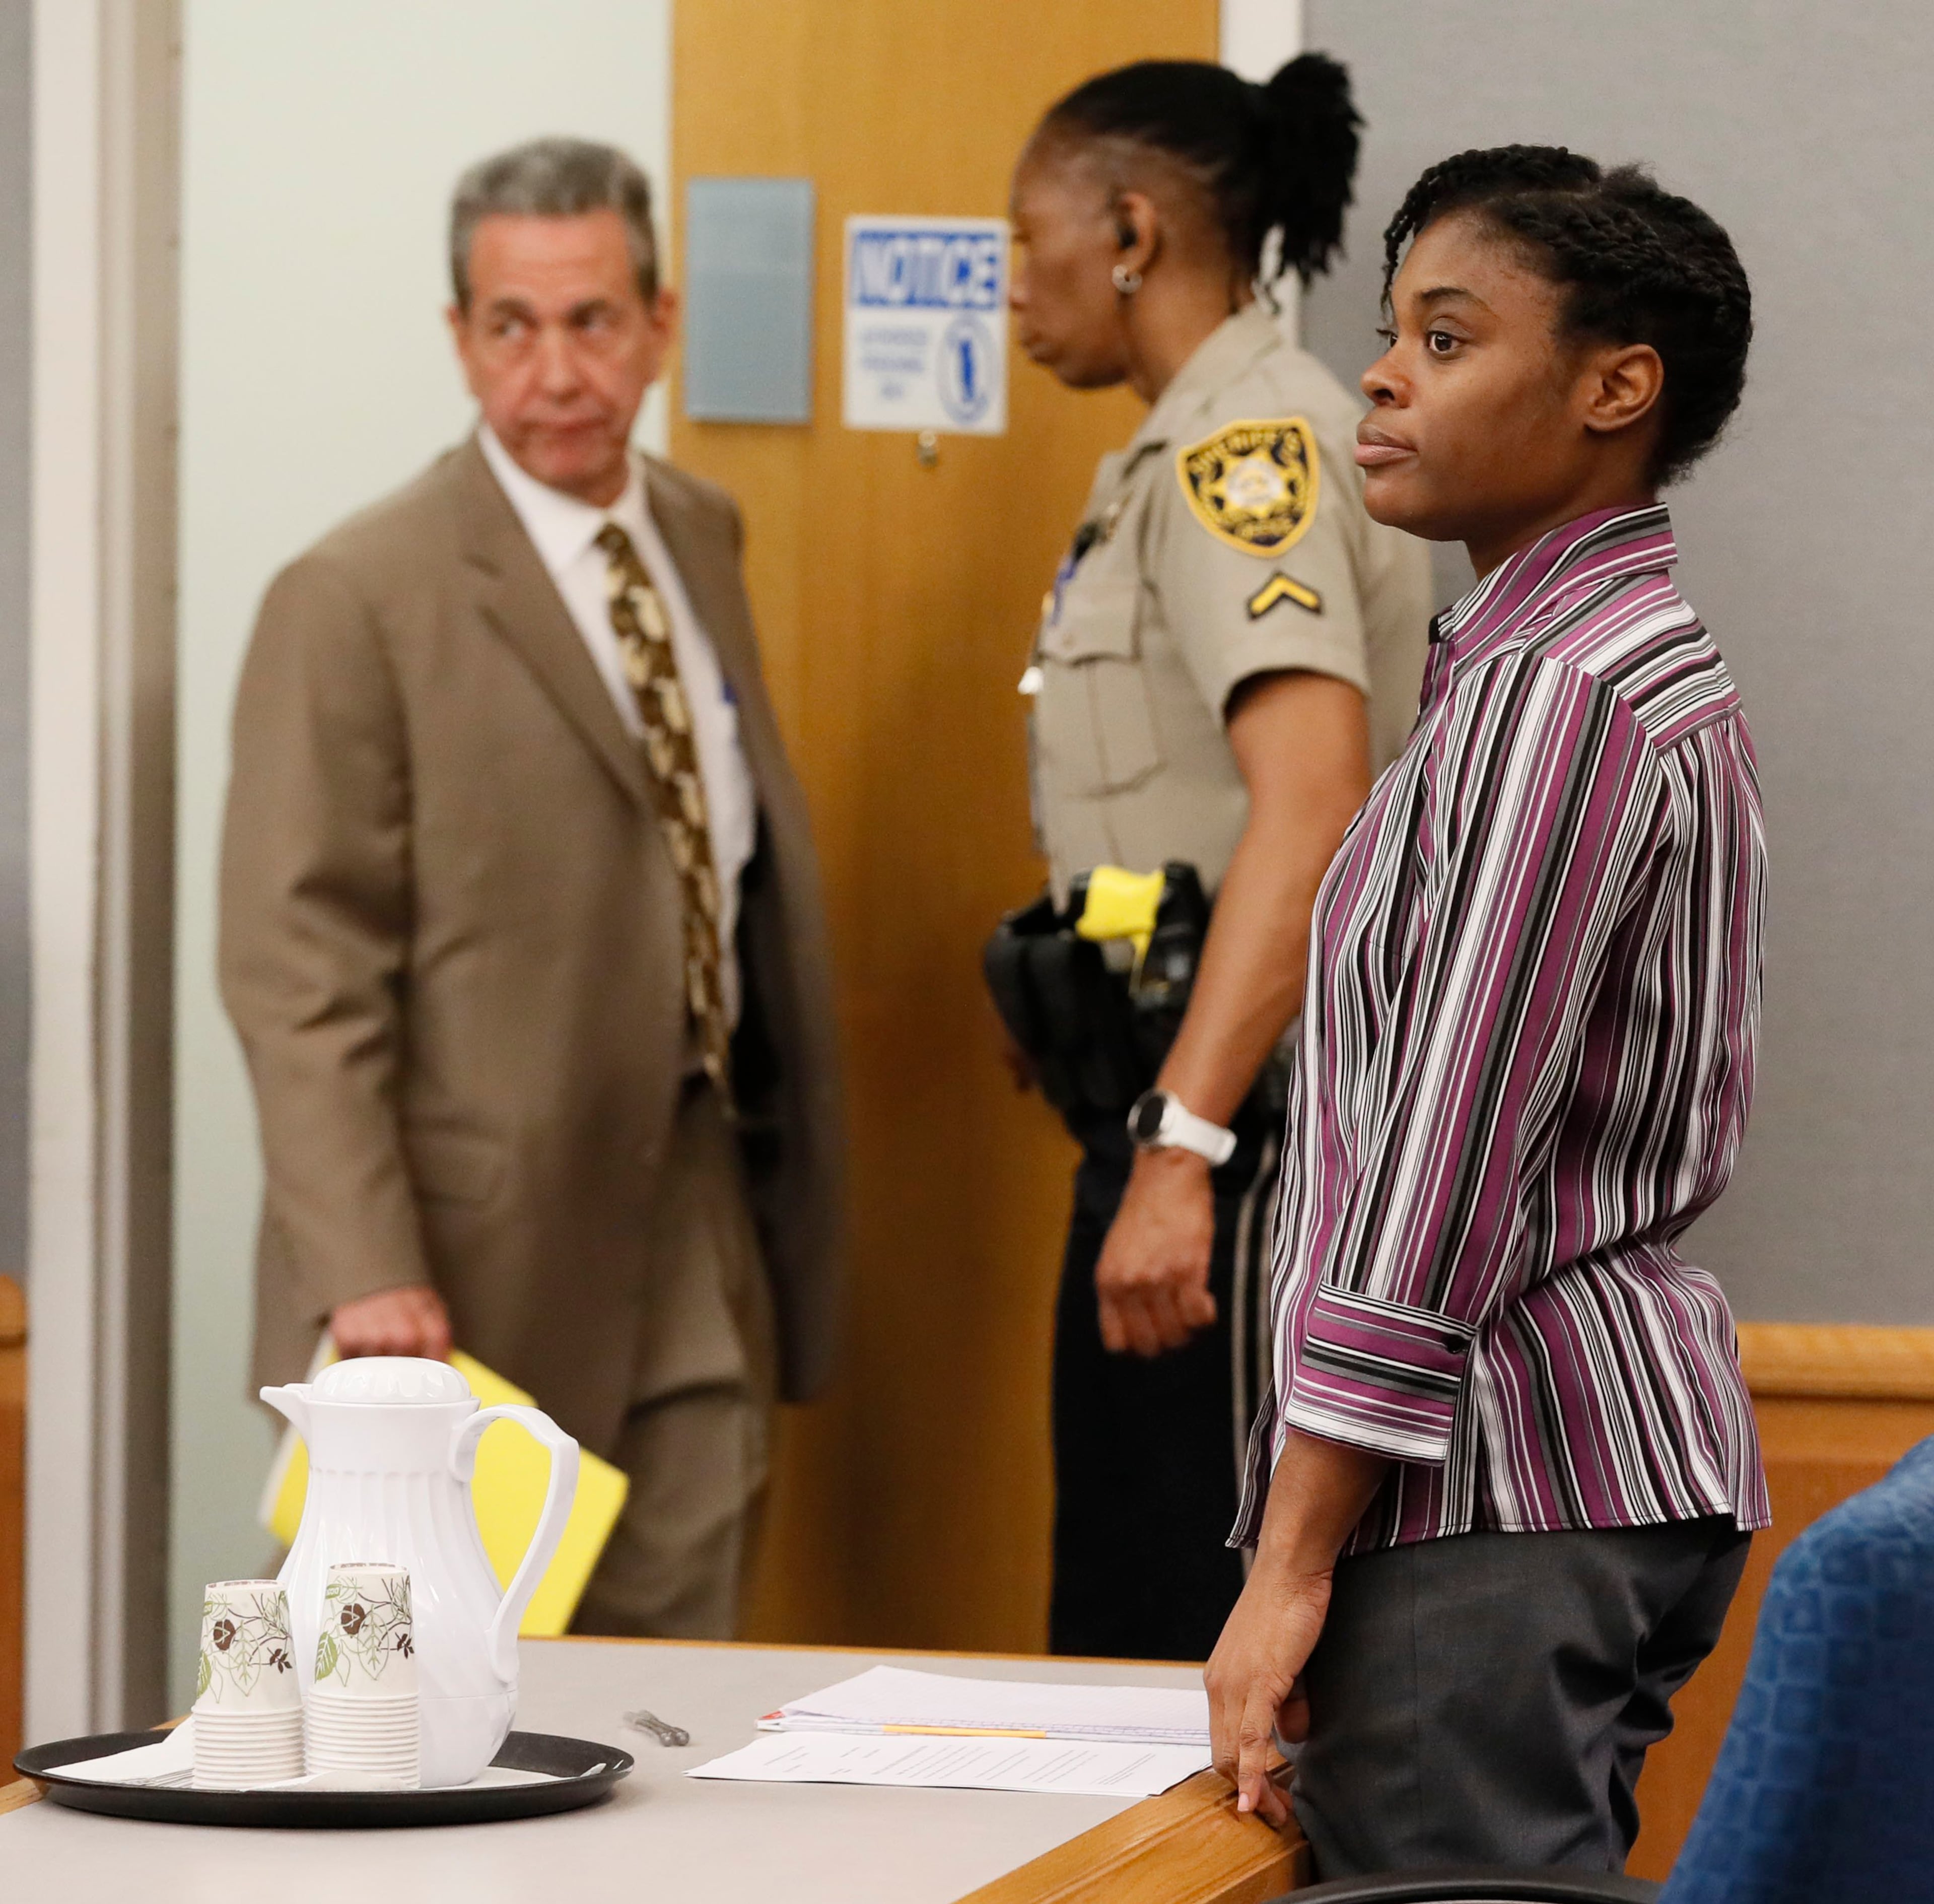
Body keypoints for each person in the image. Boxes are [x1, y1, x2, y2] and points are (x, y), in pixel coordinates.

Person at [1205, 146, 1765, 1878]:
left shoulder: (1558, 697)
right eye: (1391, 333)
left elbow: (1438, 1164)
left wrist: (1291, 1559)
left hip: (1498, 1490)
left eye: (1446, 340)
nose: (1380, 375)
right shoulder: (1576, 670)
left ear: (1616, 389)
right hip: (1552, 1480)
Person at [221, 138, 843, 1640]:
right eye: (512, 325)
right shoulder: (357, 594)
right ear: (459, 339)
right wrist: (364, 1269)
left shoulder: (698, 530)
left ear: (659, 324)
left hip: (700, 1201)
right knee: (445, 1720)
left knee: (672, 1693)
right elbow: (297, 962)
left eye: (592, 322)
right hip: (459, 1266)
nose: (554, 370)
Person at [1001, 55, 1432, 1663]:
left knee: (1175, 1648)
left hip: (1237, 1149)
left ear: (1126, 229)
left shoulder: (1240, 459)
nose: (1012, 281)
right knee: (1123, 1617)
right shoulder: (1188, 446)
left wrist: (1178, 1150)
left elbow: (1311, 800)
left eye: (1023, 234)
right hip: (1182, 1118)